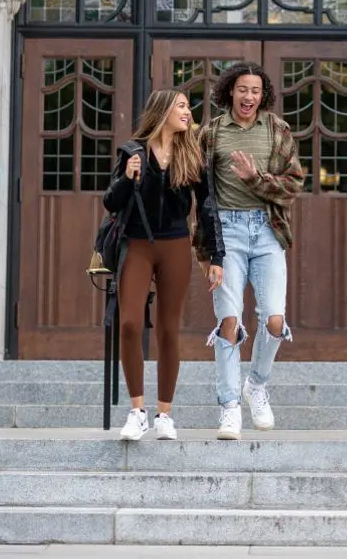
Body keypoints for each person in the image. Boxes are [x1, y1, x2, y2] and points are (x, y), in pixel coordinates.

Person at [103, 88, 224, 441]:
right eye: (181, 106)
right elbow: (110, 202)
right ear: (162, 111)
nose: (188, 112)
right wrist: (127, 177)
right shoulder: (133, 151)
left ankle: (164, 414)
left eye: (188, 106)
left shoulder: (193, 156)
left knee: (169, 329)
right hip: (137, 244)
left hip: (174, 245)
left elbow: (207, 208)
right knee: (129, 322)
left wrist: (216, 257)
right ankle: (136, 411)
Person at [194, 62, 304, 440]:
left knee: (274, 319)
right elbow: (198, 192)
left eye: (255, 90)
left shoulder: (277, 130)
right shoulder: (210, 133)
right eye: (242, 89)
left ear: (263, 95)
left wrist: (255, 179)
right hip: (226, 233)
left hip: (267, 232)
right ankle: (228, 406)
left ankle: (255, 384)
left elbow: (293, 185)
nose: (249, 96)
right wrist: (205, 250)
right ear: (230, 92)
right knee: (229, 321)